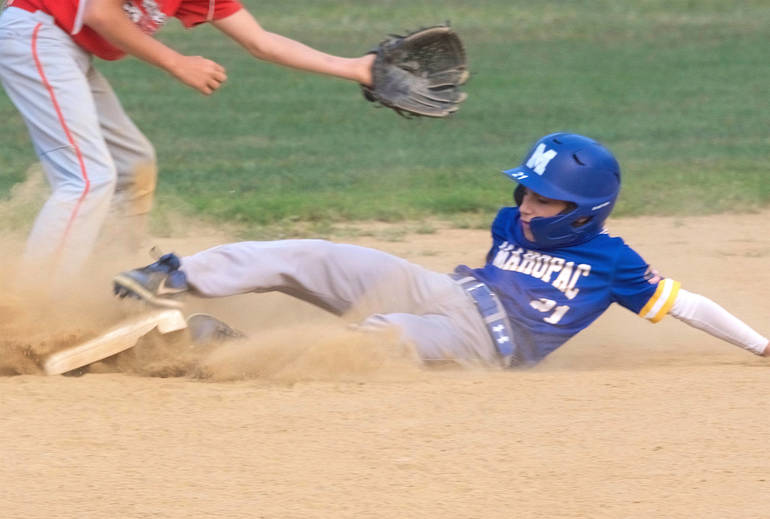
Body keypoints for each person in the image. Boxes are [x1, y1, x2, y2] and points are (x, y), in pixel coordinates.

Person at [112, 133, 769, 367]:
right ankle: (173, 277)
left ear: (584, 211)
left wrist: (761, 346)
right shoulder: (512, 223)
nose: (527, 206)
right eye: (526, 192)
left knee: (377, 338)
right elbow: (499, 248)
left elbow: (688, 305)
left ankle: (228, 351)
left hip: (484, 346)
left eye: (544, 199)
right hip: (449, 290)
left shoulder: (616, 263)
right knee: (319, 256)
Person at [0, 0, 375, 287]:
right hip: (35, 33)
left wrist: (354, 67)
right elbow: (100, 12)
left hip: (65, 49)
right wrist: (176, 62)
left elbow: (261, 42)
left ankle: (99, 285)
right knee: (87, 178)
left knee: (133, 163)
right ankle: (34, 306)